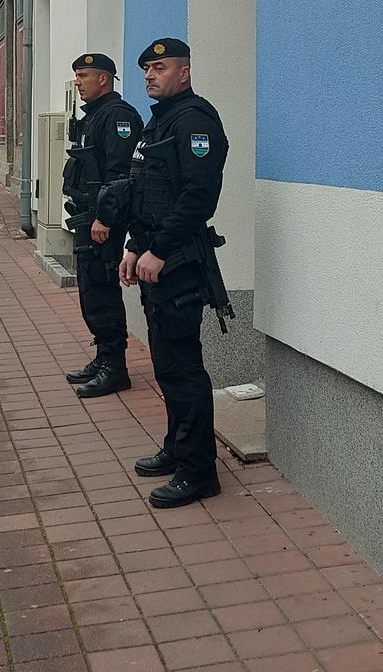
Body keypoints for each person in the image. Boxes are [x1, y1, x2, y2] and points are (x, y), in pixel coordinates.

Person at [118, 37, 229, 508]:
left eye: (159, 68)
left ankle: (198, 472)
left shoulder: (195, 121)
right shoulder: (159, 121)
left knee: (183, 369)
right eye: (146, 69)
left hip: (178, 263)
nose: (149, 75)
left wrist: (159, 250)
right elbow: (145, 193)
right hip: (155, 260)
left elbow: (197, 198)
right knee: (166, 364)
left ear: (184, 73)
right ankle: (178, 448)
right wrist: (134, 246)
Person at [62, 53, 144, 399]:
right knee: (90, 290)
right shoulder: (95, 115)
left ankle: (115, 367)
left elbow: (120, 175)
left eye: (83, 76)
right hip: (89, 216)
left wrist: (105, 218)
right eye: (77, 76)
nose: (78, 82)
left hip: (102, 221)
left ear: (103, 79)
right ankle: (103, 356)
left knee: (101, 291)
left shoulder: (118, 116)